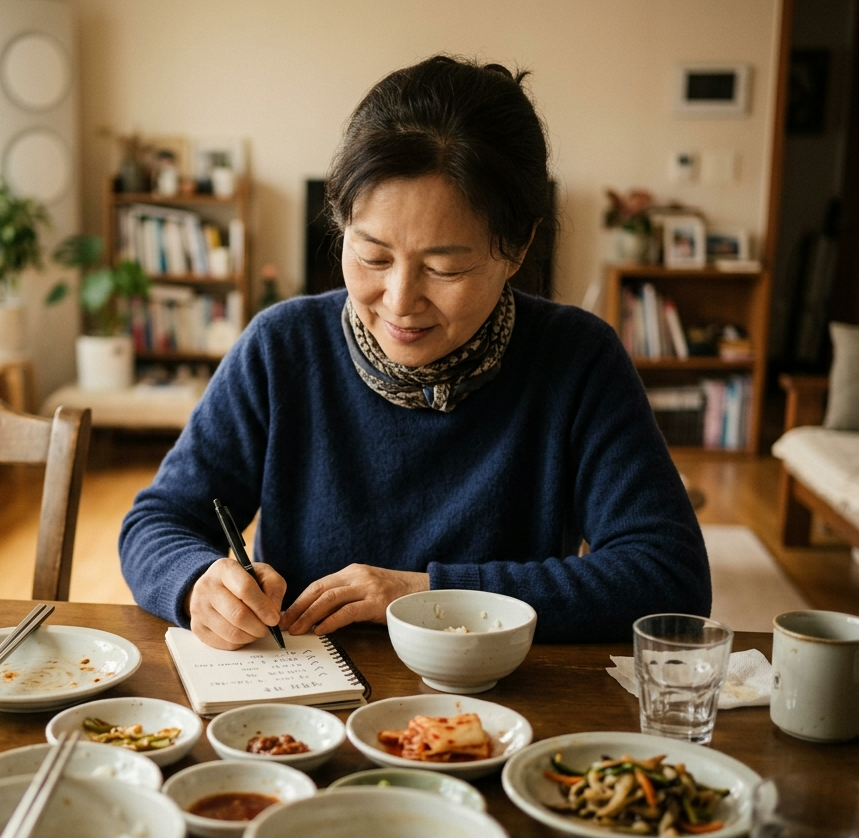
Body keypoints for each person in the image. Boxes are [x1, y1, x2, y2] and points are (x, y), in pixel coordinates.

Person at [120, 55, 710, 649]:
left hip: (496, 715)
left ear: (518, 245)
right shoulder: (282, 348)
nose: (400, 301)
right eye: (372, 256)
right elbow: (158, 523)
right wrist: (199, 583)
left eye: (444, 267)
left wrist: (428, 597)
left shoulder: (576, 361)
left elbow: (667, 576)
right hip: (307, 711)